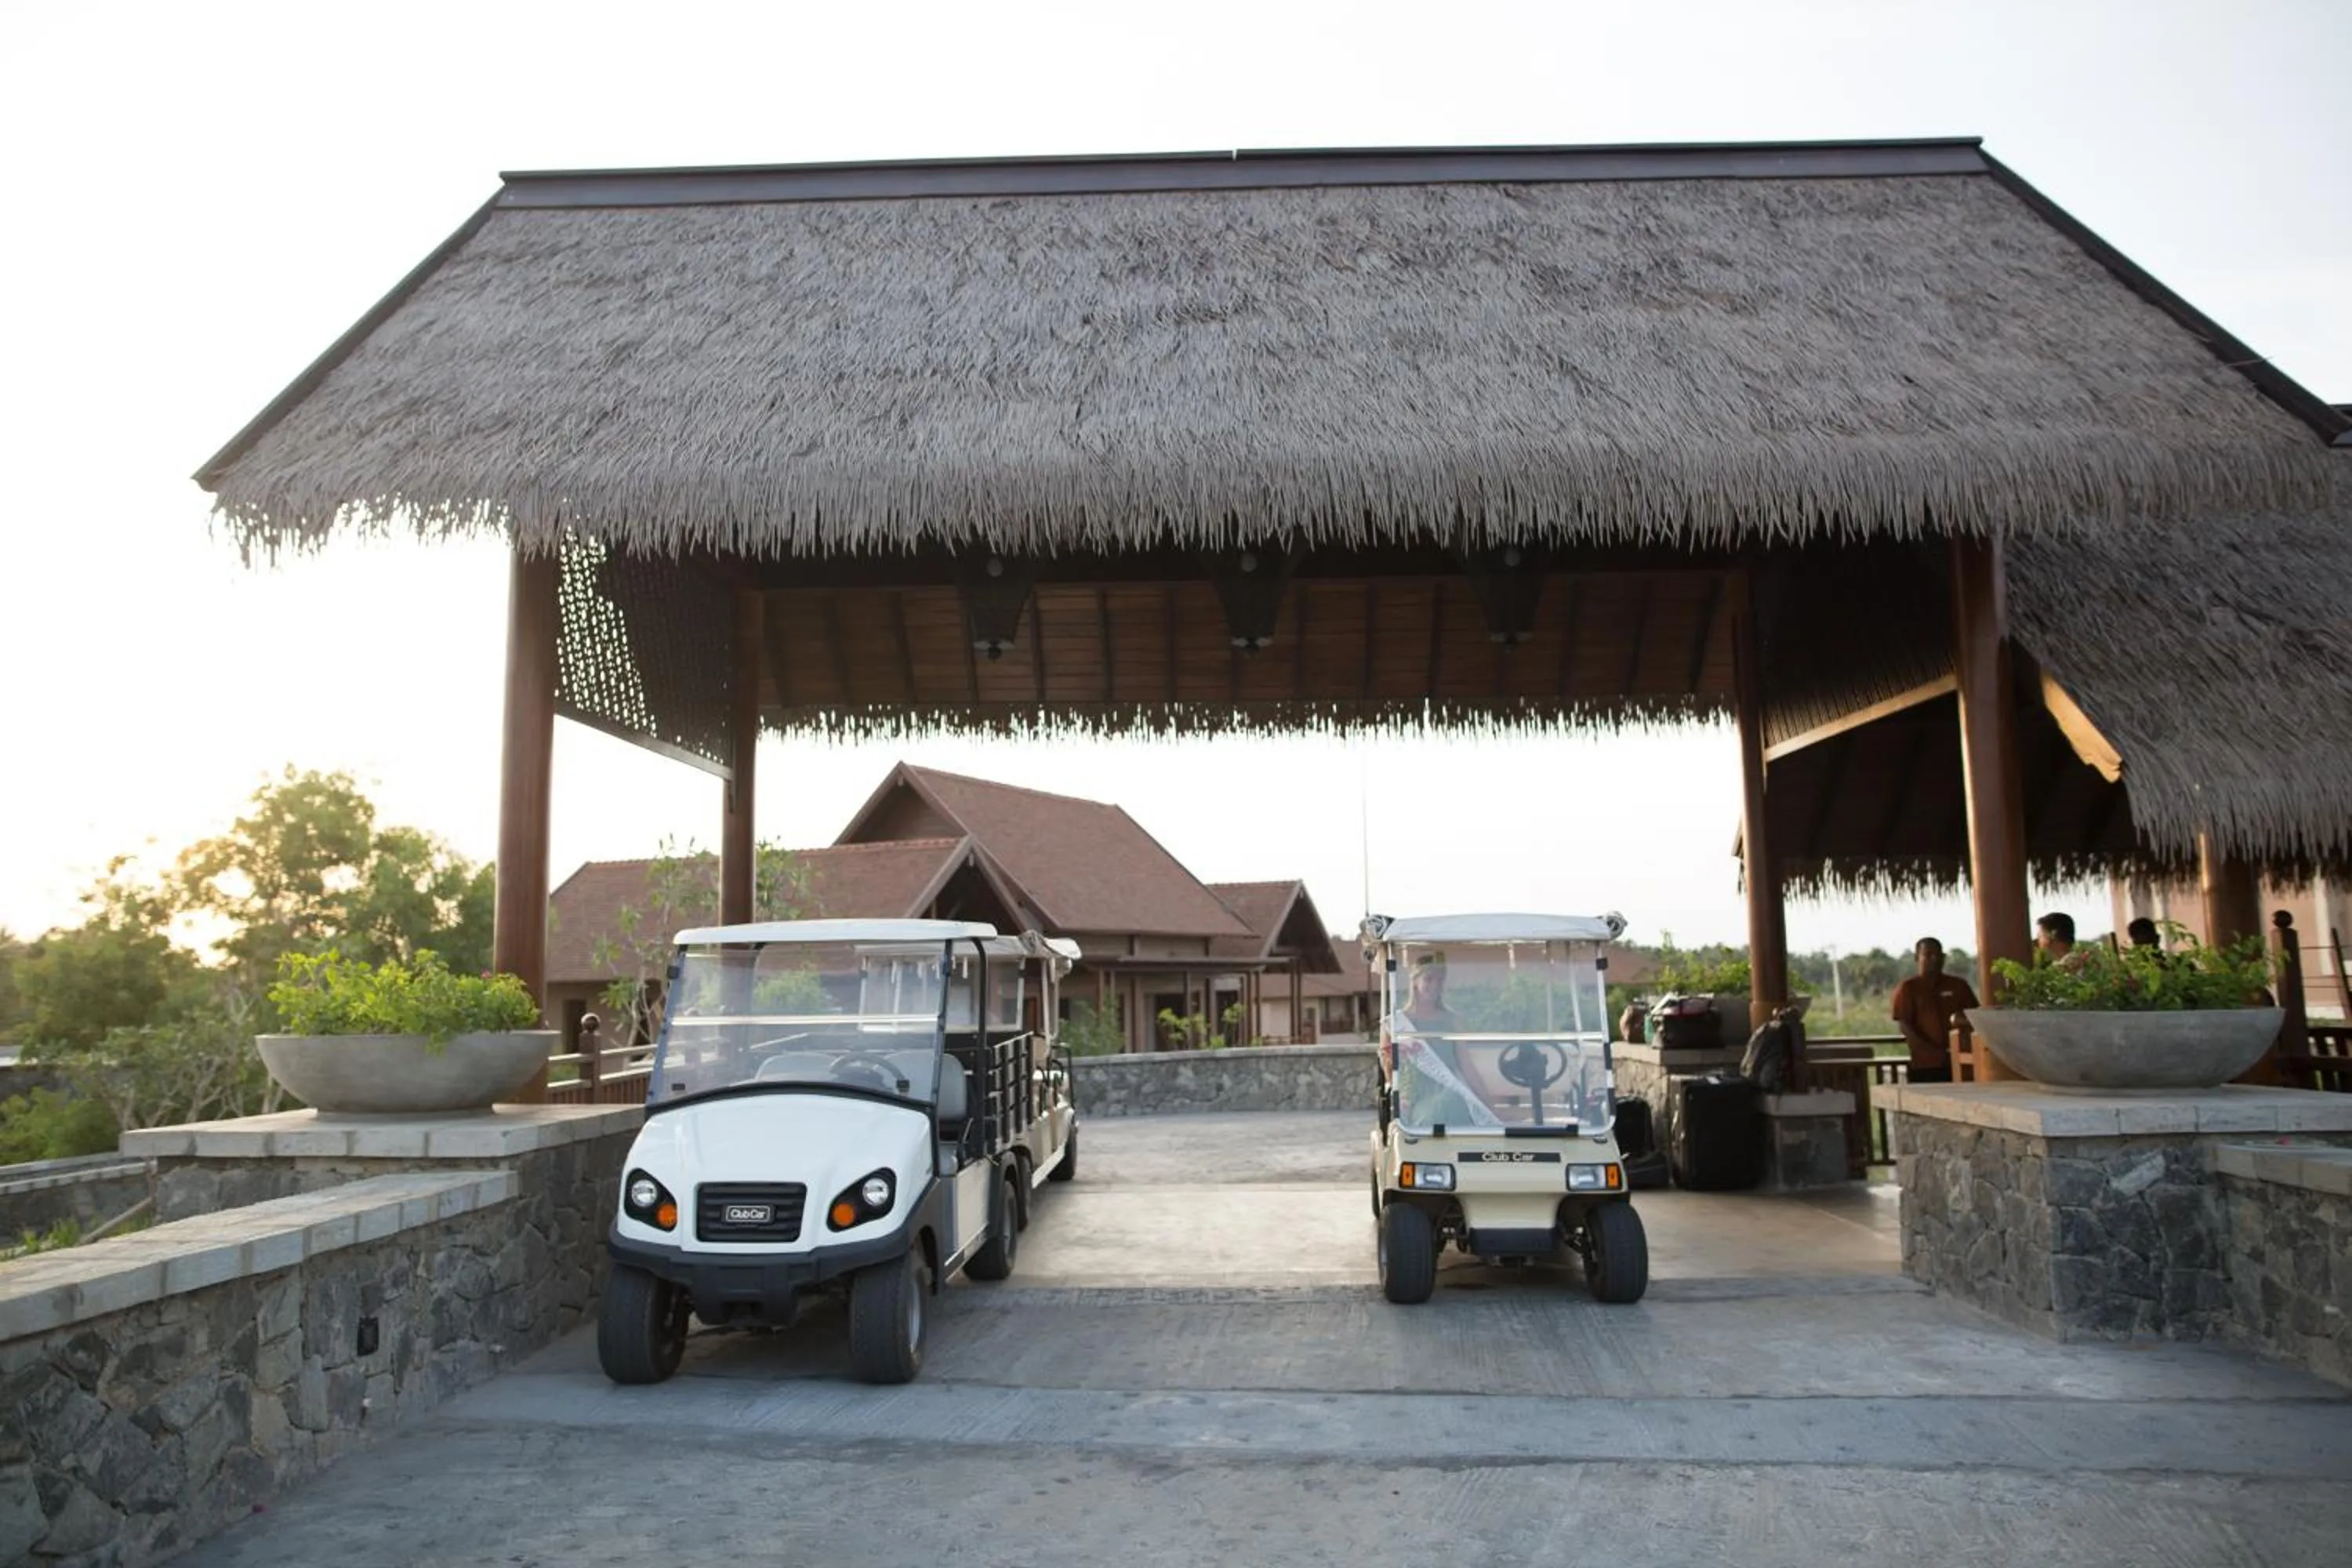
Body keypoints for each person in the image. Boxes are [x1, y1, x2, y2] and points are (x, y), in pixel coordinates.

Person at [1890, 937, 1980, 1085]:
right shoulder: (1909, 988)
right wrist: (1932, 1053)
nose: (1934, 959)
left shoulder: (1959, 986)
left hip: (1959, 1063)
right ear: (1917, 957)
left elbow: (1975, 1018)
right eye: (1928, 955)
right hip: (1925, 1066)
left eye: (1939, 955)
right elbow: (1905, 1025)